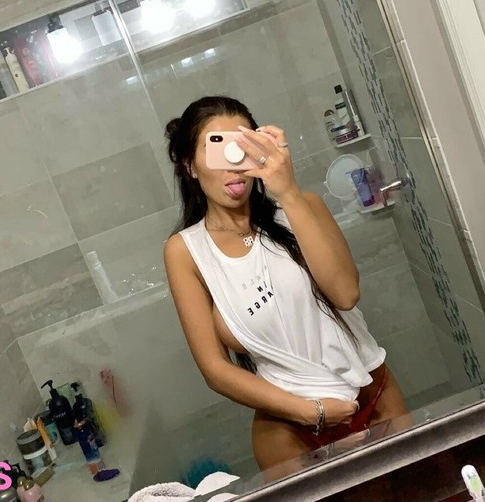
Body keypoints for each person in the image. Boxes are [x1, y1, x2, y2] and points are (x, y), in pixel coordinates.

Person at [163, 96, 408, 470]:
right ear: (190, 166)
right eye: (218, 149)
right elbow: (214, 368)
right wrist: (310, 412)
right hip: (289, 431)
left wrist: (288, 192)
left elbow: (345, 294)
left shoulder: (303, 205)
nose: (233, 166)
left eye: (243, 147)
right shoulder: (185, 252)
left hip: (375, 400)